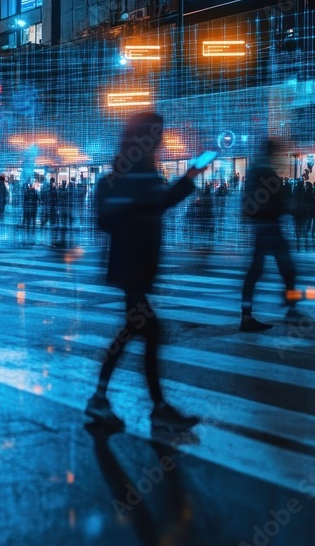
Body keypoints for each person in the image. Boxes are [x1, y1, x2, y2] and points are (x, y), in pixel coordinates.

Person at [88, 112, 204, 433]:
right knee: (148, 331)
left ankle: (108, 400)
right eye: (158, 133)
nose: (162, 139)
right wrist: (147, 198)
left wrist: (189, 178)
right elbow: (113, 215)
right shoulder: (129, 170)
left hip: (138, 264)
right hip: (131, 264)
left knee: (134, 331)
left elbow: (158, 203)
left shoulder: (140, 168)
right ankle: (157, 408)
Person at [240, 138, 300, 332]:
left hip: (262, 225)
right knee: (287, 270)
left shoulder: (256, 170)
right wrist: (289, 207)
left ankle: (247, 315)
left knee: (256, 271)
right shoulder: (265, 172)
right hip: (269, 226)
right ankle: (290, 308)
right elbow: (278, 200)